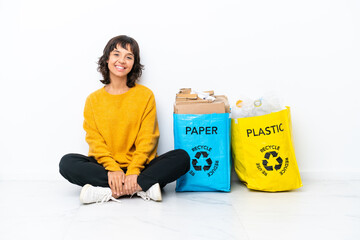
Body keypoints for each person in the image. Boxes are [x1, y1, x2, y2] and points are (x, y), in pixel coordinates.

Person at [59, 35, 190, 203]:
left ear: (134, 63)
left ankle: (109, 191)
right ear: (107, 59)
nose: (122, 60)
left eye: (129, 57)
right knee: (67, 162)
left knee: (182, 157)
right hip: (106, 168)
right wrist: (113, 169)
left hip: (140, 167)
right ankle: (142, 187)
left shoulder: (145, 95)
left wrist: (134, 171)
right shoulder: (93, 100)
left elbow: (148, 139)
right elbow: (94, 140)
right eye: (116, 54)